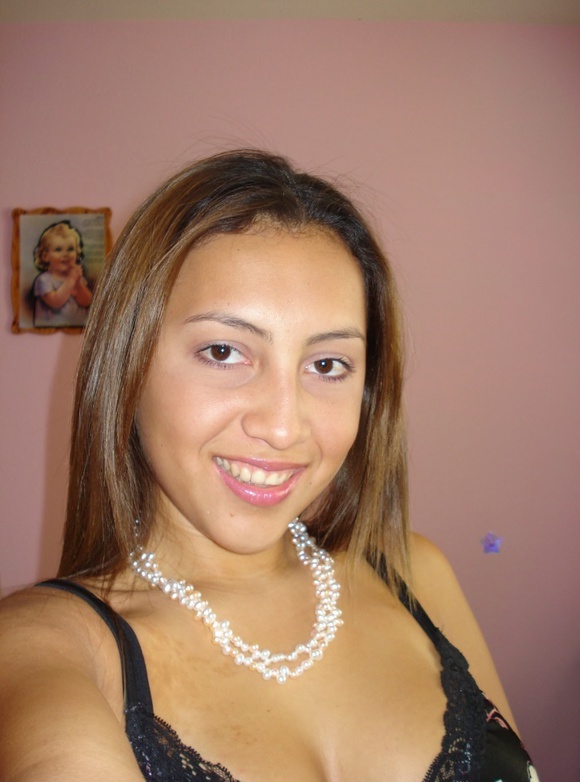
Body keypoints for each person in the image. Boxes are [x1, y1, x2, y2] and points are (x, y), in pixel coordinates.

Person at [0, 150, 538, 781]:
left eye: (327, 365)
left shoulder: (416, 572)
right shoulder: (49, 646)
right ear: (128, 369)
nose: (284, 427)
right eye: (223, 352)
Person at [31, 220, 92, 327]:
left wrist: (78, 283)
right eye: (58, 250)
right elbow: (56, 302)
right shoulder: (43, 280)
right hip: (49, 330)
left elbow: (87, 302)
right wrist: (71, 280)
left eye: (70, 249)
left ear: (77, 253)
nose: (66, 254)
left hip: (77, 331)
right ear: (45, 256)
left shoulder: (76, 277)